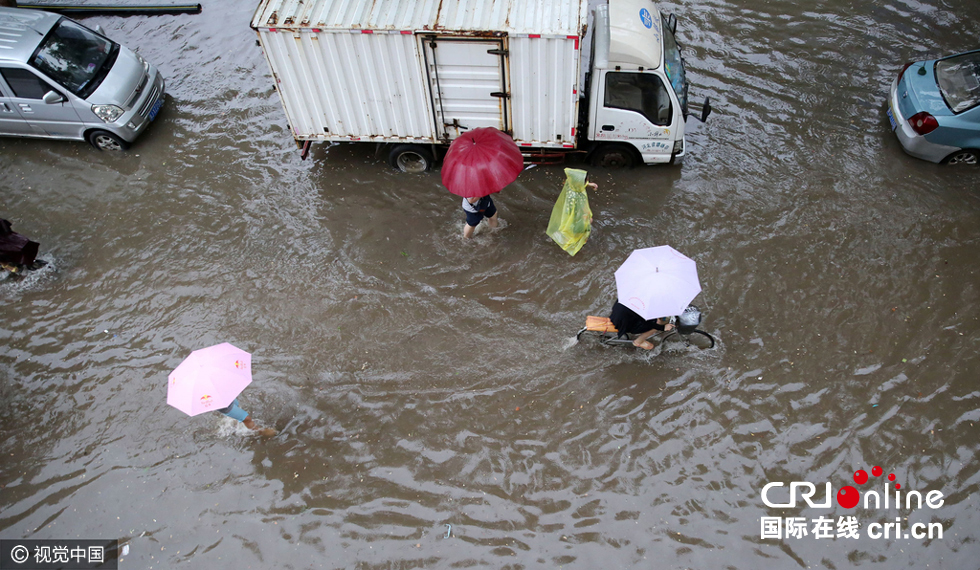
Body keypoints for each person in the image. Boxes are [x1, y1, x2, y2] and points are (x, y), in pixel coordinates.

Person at [609, 301, 675, 350]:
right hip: (623, 324)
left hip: (616, 316)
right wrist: (663, 327)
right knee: (657, 324)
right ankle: (638, 341)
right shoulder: (639, 307)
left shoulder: (632, 297)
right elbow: (649, 323)